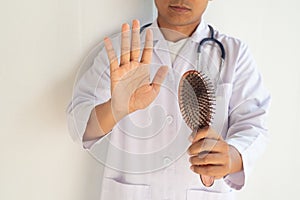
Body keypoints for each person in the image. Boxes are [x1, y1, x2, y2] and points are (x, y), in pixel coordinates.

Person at [67, 0, 271, 199]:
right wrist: (116, 108)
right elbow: (79, 126)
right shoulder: (122, 50)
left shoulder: (234, 54)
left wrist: (233, 156)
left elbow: (253, 125)